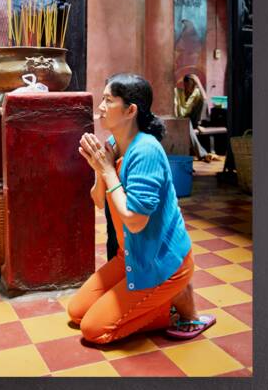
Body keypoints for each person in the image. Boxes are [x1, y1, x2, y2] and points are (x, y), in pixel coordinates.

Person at [68, 73, 217, 344]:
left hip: (159, 262)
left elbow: (135, 221)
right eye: (102, 99)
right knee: (76, 312)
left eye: (108, 100)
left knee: (93, 331)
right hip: (132, 256)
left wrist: (107, 172)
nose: (100, 107)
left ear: (130, 110)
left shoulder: (146, 151)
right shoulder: (114, 146)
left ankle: (168, 306)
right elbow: (100, 201)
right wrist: (99, 171)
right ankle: (162, 301)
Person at [174, 73, 222, 162]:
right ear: (184, 84)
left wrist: (198, 82)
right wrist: (177, 121)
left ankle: (197, 124)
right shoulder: (177, 92)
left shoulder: (196, 92)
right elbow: (174, 108)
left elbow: (205, 99)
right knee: (187, 124)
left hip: (192, 119)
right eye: (189, 85)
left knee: (203, 102)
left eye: (194, 85)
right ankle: (202, 154)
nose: (192, 88)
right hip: (180, 120)